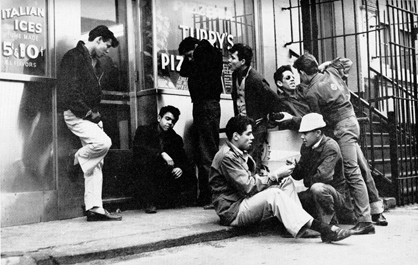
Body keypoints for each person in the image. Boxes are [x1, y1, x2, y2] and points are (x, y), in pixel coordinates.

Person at [209, 115, 353, 243]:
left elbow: (249, 182)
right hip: (233, 211)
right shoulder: (227, 156)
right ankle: (324, 229)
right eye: (248, 134)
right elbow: (248, 186)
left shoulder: (239, 152)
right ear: (235, 136)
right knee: (275, 194)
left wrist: (280, 177)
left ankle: (293, 226)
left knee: (287, 183)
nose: (253, 137)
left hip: (243, 200)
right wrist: (275, 175)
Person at [293, 53, 386, 234]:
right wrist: (327, 65)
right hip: (352, 122)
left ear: (303, 73)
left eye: (300, 74)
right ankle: (376, 211)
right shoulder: (332, 71)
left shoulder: (312, 91)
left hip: (341, 128)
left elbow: (318, 120)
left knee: (352, 170)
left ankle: (365, 220)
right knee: (361, 166)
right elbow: (347, 61)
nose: (300, 78)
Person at [57, 25, 121, 221]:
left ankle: (94, 208)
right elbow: (69, 92)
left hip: (90, 115)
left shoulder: (96, 63)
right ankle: (75, 160)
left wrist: (93, 114)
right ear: (98, 39)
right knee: (103, 144)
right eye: (107, 46)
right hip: (76, 114)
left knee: (97, 163)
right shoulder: (74, 56)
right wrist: (88, 113)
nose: (107, 51)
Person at [179, 37, 223, 209]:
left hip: (206, 105)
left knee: (207, 152)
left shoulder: (207, 54)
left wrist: (193, 56)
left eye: (189, 54)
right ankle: (208, 194)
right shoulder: (205, 55)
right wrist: (189, 57)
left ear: (196, 48)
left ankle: (213, 195)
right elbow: (184, 71)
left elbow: (187, 70)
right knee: (204, 150)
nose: (189, 59)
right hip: (202, 105)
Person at [292, 113, 356, 225]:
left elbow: (323, 177)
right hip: (316, 190)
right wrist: (294, 168)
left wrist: (307, 178)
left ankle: (330, 224)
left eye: (305, 133)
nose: (302, 137)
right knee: (289, 199)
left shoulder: (330, 147)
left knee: (318, 188)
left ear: (318, 133)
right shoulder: (306, 146)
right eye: (302, 133)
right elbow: (299, 175)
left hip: (335, 196)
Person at [228, 44, 283, 172]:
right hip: (242, 126)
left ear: (242, 61)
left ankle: (253, 188)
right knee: (240, 159)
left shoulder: (256, 79)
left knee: (253, 160)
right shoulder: (235, 75)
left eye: (232, 58)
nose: (229, 61)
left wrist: (266, 120)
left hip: (256, 127)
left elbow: (275, 100)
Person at [132, 106, 197, 213]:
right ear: (159, 118)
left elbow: (183, 159)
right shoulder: (144, 130)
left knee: (188, 173)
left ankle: (170, 200)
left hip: (163, 174)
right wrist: (161, 153)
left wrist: (180, 168)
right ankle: (150, 202)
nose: (170, 123)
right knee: (148, 163)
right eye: (167, 119)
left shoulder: (175, 138)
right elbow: (139, 149)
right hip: (146, 171)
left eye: (173, 121)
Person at [272, 65, 310, 130]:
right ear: (279, 83)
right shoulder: (280, 102)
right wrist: (293, 119)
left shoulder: (302, 89)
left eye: (293, 77)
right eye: (288, 78)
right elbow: (285, 123)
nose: (292, 79)